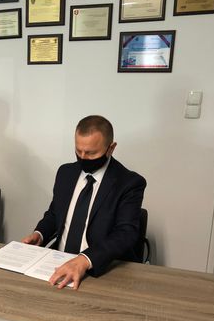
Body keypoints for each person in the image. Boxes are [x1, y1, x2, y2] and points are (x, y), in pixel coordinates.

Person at [22, 115, 146, 289]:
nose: (83, 157)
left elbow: (125, 233)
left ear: (111, 148)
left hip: (99, 269)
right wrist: (40, 234)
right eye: (78, 150)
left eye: (91, 153)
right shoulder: (66, 173)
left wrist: (85, 259)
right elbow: (55, 213)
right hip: (58, 263)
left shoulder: (129, 183)